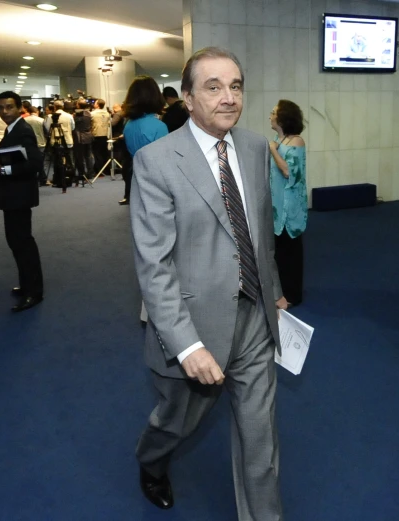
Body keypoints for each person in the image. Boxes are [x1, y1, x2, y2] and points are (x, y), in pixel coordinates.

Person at [130, 47, 287, 519]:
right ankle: (151, 461)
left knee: (260, 439)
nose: (228, 97)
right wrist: (186, 345)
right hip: (192, 324)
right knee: (175, 422)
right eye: (213, 87)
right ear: (187, 97)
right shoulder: (156, 161)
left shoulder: (257, 146)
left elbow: (259, 229)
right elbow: (154, 264)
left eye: (235, 86)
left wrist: (273, 288)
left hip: (254, 317)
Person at [0, 91, 45, 312]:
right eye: (0, 107)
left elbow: (35, 164)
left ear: (20, 107)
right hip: (14, 195)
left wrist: (2, 168)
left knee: (23, 243)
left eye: (9, 107)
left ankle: (34, 292)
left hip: (19, 196)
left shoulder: (23, 130)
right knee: (17, 243)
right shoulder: (14, 129)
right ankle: (28, 285)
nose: (4, 112)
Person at [268, 100, 307, 306]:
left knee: (291, 253)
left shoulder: (296, 141)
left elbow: (289, 172)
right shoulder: (278, 139)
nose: (270, 115)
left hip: (290, 208)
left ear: (283, 117)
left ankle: (293, 296)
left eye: (273, 112)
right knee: (279, 253)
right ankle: (282, 293)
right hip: (276, 206)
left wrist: (273, 150)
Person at [120, 76, 167, 205]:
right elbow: (164, 160)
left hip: (137, 177)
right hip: (157, 182)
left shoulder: (129, 125)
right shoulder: (158, 126)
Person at [73, 100, 94, 185]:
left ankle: (82, 173)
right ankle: (90, 172)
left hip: (79, 137)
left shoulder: (76, 115)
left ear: (78, 105)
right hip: (88, 135)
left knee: (80, 156)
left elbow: (75, 125)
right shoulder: (89, 114)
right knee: (88, 155)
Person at [90, 99, 111, 174]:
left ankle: (99, 170)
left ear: (97, 105)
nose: (94, 104)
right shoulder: (107, 113)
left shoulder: (92, 114)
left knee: (97, 153)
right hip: (105, 135)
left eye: (95, 103)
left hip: (96, 135)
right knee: (104, 153)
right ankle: (105, 169)